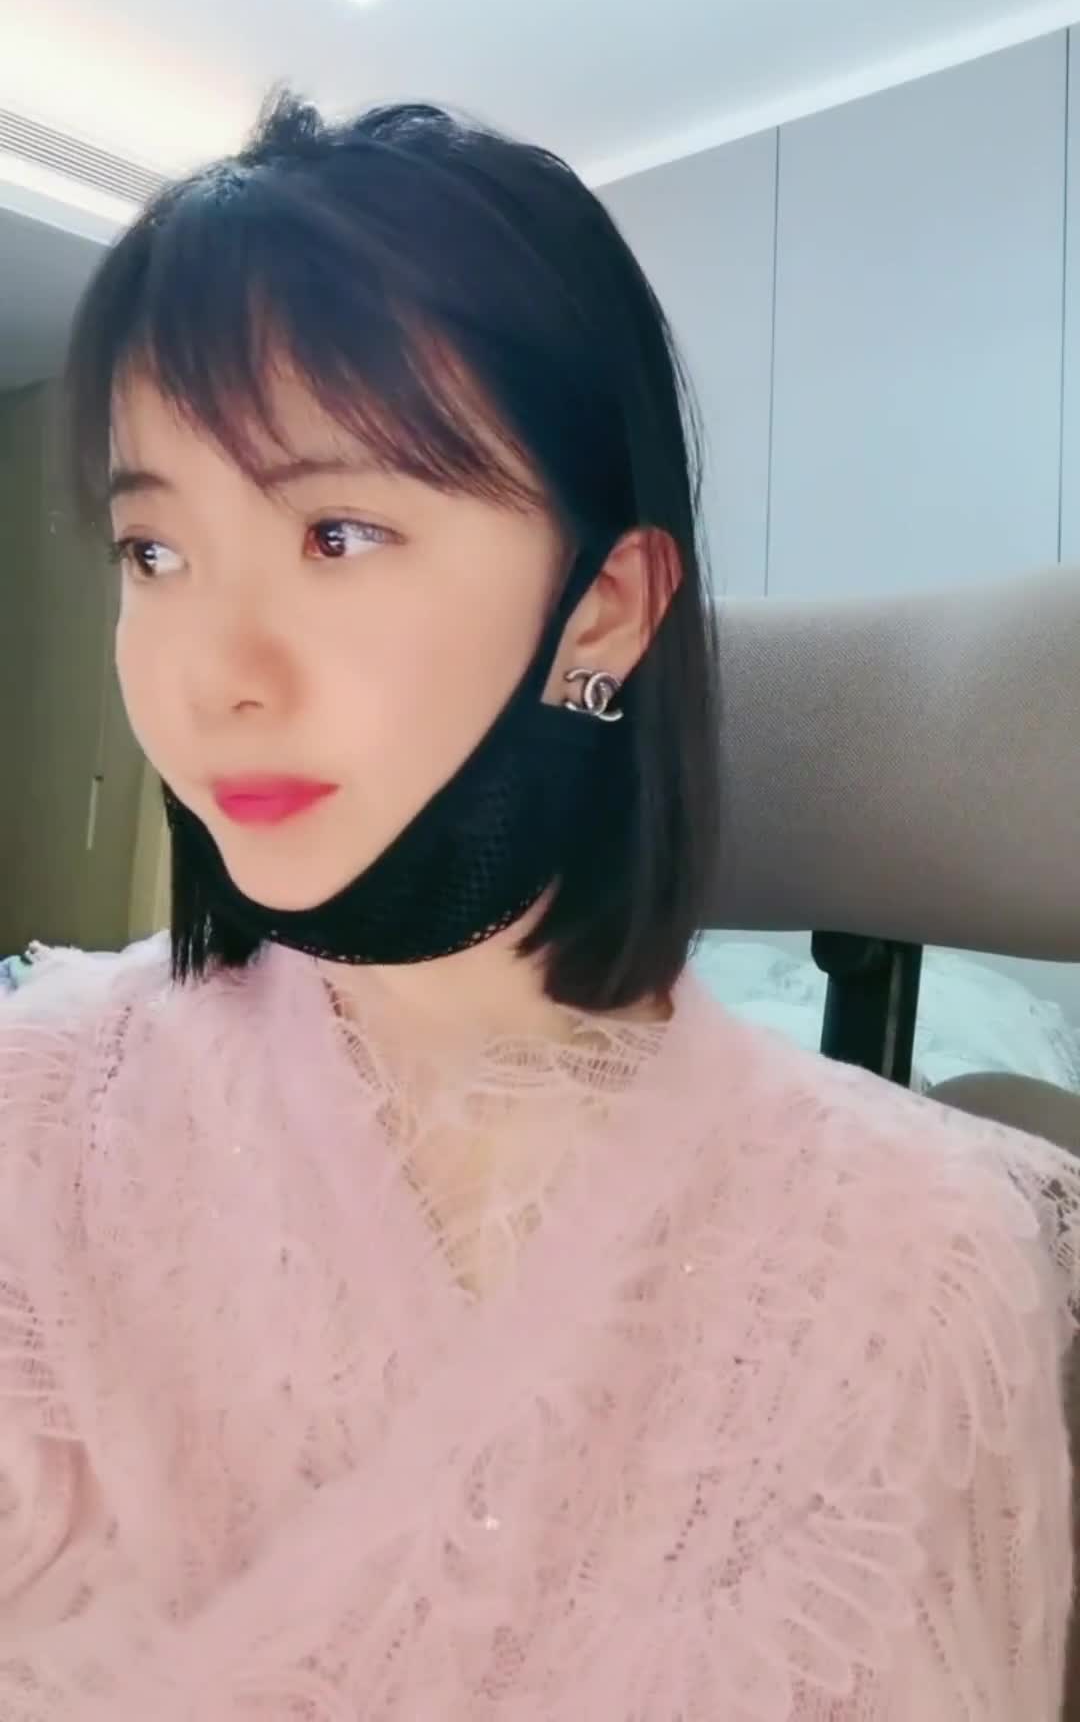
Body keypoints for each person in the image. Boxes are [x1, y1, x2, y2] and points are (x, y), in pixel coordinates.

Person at [0, 88, 1077, 1721]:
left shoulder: (909, 1278)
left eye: (337, 532)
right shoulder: (37, 1114)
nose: (210, 676)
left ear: (609, 609)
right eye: (154, 553)